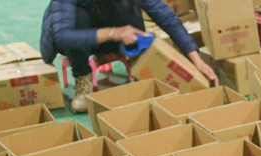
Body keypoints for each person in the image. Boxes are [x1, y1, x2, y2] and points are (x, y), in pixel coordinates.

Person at [41, 0, 217, 114]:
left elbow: (165, 16)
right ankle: (82, 79)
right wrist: (113, 33)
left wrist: (195, 58)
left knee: (129, 7)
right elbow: (62, 35)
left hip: (113, 30)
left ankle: (139, 67)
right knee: (78, 20)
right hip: (82, 37)